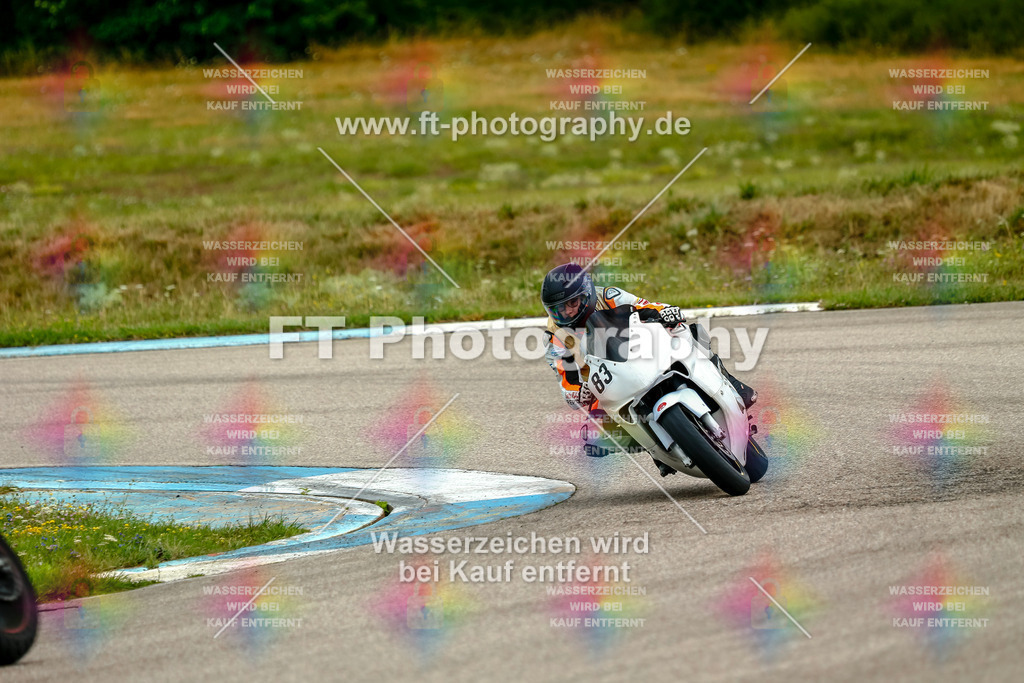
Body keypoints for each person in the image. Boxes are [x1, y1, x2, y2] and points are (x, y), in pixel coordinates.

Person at [541, 262, 756, 476]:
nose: (567, 312)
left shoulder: (608, 296)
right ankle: (656, 448)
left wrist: (667, 313)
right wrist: (577, 393)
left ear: (586, 294)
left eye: (572, 303)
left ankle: (731, 382)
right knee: (593, 438)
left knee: (689, 331)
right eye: (559, 308)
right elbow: (566, 381)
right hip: (607, 383)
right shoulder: (554, 338)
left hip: (640, 351)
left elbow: (644, 305)